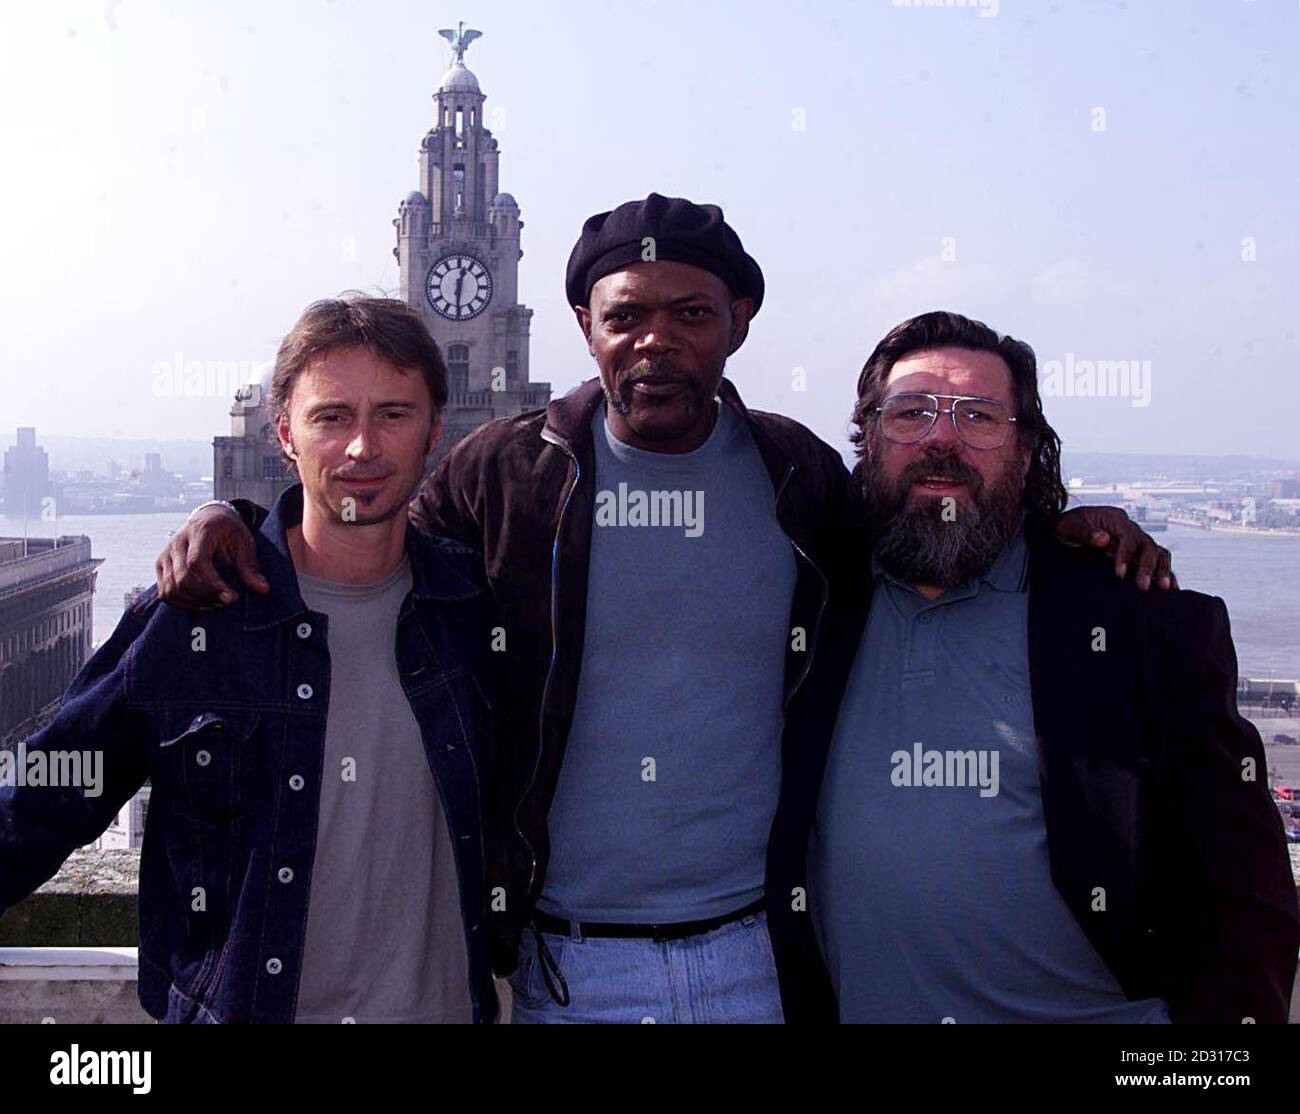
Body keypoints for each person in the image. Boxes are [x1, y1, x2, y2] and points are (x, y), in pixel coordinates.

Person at [155, 196, 1173, 1024]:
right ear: (585, 330)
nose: (657, 340)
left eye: (690, 312)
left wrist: (1065, 523)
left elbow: (931, 534)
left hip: (766, 962)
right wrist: (236, 510)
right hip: (565, 973)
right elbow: (358, 535)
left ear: (737, 322)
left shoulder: (797, 477)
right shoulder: (506, 470)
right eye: (627, 314)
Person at [0, 296, 498, 1023]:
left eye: (393, 414)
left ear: (433, 433)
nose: (362, 447)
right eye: (332, 417)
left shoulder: (475, 611)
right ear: (284, 435)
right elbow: (41, 803)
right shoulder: (196, 617)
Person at [797, 311, 1300, 1023]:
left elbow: (1247, 893)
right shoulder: (810, 600)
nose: (942, 438)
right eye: (911, 414)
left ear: (1026, 452)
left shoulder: (1138, 623)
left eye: (979, 416)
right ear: (869, 440)